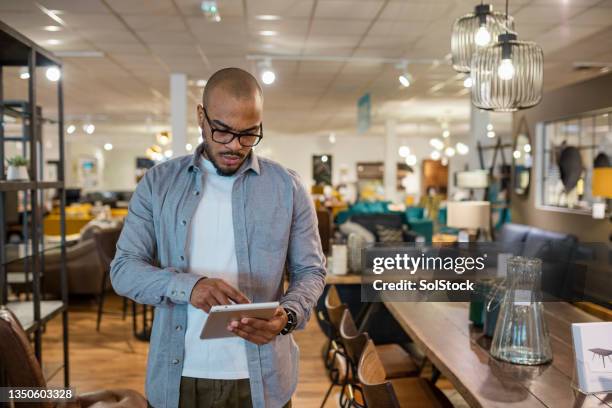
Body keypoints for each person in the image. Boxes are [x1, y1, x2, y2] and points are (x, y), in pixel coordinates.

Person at [111, 67, 326, 408]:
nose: (235, 146)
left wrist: (286, 316)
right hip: (177, 377)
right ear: (201, 116)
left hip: (264, 379)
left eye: (248, 134)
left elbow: (311, 272)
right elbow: (123, 270)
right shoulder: (158, 183)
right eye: (222, 131)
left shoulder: (288, 187)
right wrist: (190, 287)